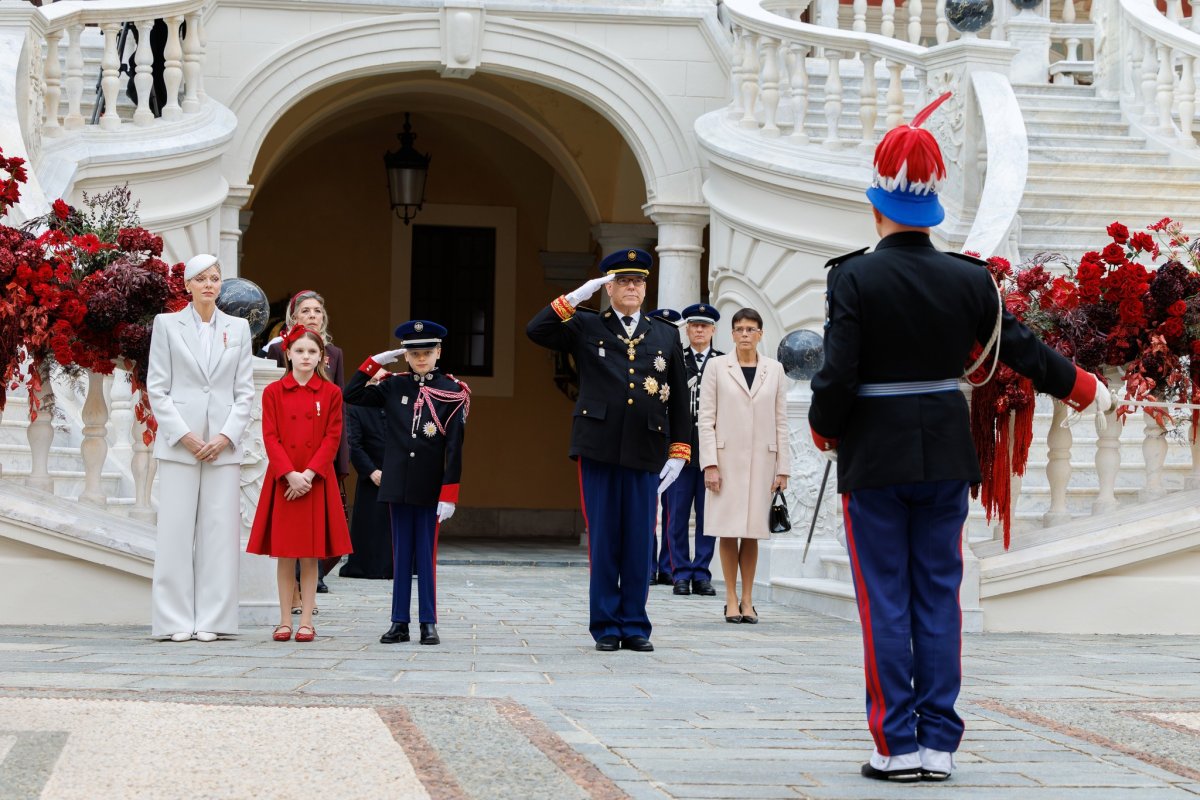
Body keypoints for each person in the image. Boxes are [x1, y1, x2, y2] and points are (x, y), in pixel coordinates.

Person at [807, 93, 1114, 783]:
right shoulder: (968, 278)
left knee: (885, 598)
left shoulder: (853, 277)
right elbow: (1024, 350)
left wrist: (825, 427)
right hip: (946, 456)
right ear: (932, 207)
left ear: (878, 205)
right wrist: (1083, 386)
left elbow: (837, 374)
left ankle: (896, 745)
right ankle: (940, 742)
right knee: (937, 597)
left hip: (875, 459)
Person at [527, 248, 692, 653]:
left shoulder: (665, 334)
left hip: (646, 448)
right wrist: (576, 297)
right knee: (604, 538)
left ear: (645, 288)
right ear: (610, 287)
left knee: (639, 539)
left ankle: (635, 624)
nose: (632, 287)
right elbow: (537, 329)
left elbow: (680, 397)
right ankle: (604, 625)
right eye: (623, 281)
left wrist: (679, 449)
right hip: (598, 447)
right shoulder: (586, 325)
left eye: (637, 281)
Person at [146, 253, 254, 642]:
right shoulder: (167, 325)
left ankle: (214, 620)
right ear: (188, 285)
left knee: (219, 533)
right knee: (174, 532)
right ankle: (174, 621)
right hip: (181, 445)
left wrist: (225, 436)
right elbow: (157, 388)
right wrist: (185, 435)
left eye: (215, 278)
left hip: (222, 447)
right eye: (201, 278)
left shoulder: (239, 328)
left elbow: (244, 392)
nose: (210, 284)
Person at [343, 320, 470, 646]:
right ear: (407, 355)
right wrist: (377, 362)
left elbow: (455, 446)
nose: (421, 359)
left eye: (427, 352)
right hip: (397, 484)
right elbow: (352, 393)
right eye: (414, 353)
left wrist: (449, 492)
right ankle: (399, 621)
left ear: (439, 352)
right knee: (400, 556)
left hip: (429, 488)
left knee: (424, 558)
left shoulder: (453, 391)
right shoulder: (394, 385)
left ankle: (428, 622)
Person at [247, 327, 353, 643]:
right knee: (284, 555)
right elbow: (270, 436)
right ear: (287, 353)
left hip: (316, 483)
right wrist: (289, 474)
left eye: (312, 352)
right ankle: (283, 620)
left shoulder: (331, 393)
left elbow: (332, 437)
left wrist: (308, 475)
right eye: (300, 351)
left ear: (321, 356)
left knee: (310, 555)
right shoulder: (273, 393)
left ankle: (306, 620)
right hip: (283, 482)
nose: (306, 357)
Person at [697, 308, 789, 625]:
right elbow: (705, 419)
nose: (745, 334)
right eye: (739, 329)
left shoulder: (775, 370)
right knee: (728, 530)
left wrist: (783, 468)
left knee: (751, 533)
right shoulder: (716, 367)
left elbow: (781, 421)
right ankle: (731, 599)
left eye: (751, 329)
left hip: (763, 461)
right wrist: (709, 464)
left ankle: (748, 599)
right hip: (726, 461)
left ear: (761, 334)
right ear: (732, 334)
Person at [265, 290, 348, 598]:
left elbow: (335, 414)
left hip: (318, 461)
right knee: (286, 539)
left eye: (318, 310)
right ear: (294, 316)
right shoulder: (277, 349)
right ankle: (291, 599)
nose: (313, 315)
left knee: (319, 533)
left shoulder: (333, 353)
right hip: (285, 463)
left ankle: (312, 587)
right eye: (307, 310)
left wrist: (325, 465)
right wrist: (288, 472)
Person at [664, 303, 724, 597]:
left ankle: (702, 573)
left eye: (704, 326)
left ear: (713, 330)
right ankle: (680, 574)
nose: (699, 330)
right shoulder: (675, 359)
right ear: (687, 329)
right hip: (680, 444)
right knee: (676, 513)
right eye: (694, 326)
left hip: (711, 448)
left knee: (707, 514)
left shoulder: (724, 362)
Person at [339, 371, 395, 580]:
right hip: (372, 475)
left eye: (382, 381)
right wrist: (371, 471)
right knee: (371, 525)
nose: (377, 385)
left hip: (396, 474)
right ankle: (368, 568)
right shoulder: (357, 408)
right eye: (373, 380)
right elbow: (354, 444)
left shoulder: (395, 405)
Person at [646, 307, 683, 587]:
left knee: (673, 510)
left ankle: (669, 564)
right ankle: (647, 563)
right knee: (647, 507)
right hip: (649, 436)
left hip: (672, 439)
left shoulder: (679, 358)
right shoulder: (647, 357)